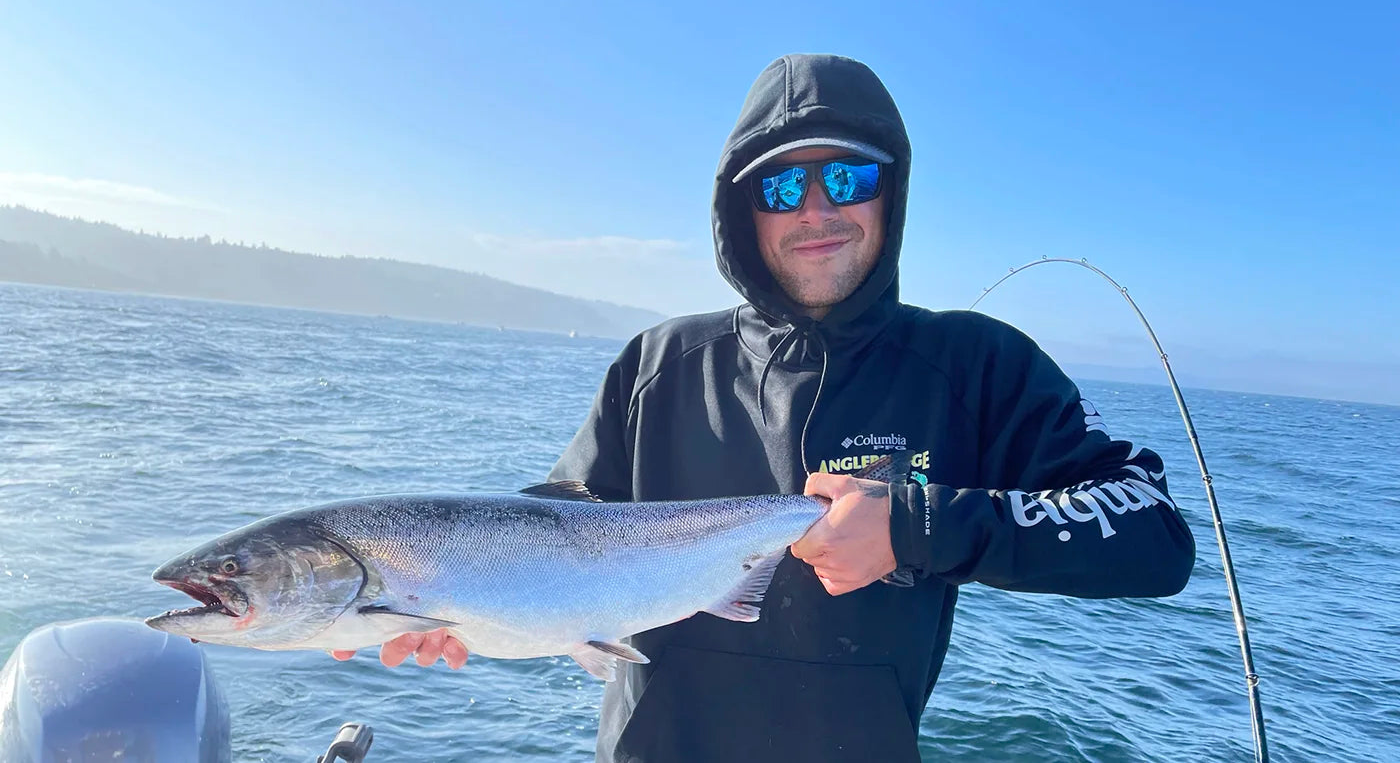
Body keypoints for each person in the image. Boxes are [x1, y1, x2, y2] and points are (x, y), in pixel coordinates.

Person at [335, 53, 1196, 762]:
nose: (816, 210)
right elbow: (560, 527)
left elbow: (1155, 534)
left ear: (892, 194)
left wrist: (916, 526)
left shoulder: (975, 365)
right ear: (742, 213)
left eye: (848, 176)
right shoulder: (660, 363)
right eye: (781, 189)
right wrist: (448, 601)